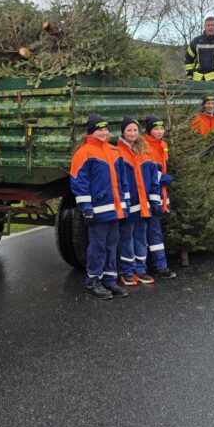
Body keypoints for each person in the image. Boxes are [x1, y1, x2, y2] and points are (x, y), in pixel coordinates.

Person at [70, 115, 132, 299]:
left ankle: (109, 280)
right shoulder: (84, 153)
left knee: (112, 245)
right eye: (100, 129)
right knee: (98, 246)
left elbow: (123, 181)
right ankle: (93, 281)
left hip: (115, 208)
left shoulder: (114, 151)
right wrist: (86, 207)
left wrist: (126, 202)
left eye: (106, 129)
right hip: (97, 210)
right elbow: (79, 182)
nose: (104, 132)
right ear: (91, 132)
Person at [117, 118, 169, 285]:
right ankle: (127, 271)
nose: (132, 133)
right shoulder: (117, 152)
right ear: (123, 133)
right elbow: (116, 181)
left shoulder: (145, 151)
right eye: (129, 130)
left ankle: (140, 269)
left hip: (144, 204)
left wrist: (155, 200)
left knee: (140, 237)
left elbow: (154, 178)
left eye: (135, 130)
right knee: (127, 237)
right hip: (129, 203)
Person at [143, 115, 178, 273]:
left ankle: (155, 264)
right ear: (149, 130)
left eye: (161, 128)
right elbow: (146, 172)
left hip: (159, 193)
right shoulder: (144, 146)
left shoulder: (163, 145)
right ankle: (158, 266)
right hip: (148, 194)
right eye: (156, 128)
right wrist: (162, 178)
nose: (159, 131)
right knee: (151, 231)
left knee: (154, 230)